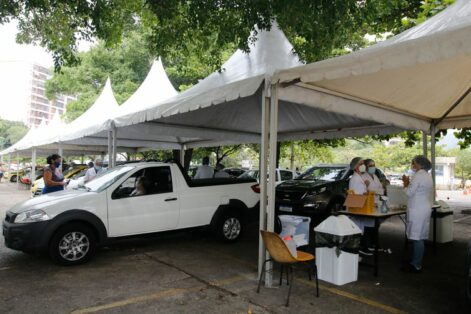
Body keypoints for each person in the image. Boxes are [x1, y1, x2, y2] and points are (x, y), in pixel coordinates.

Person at [402, 155, 433, 273]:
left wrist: (405, 183)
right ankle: (415, 260)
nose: (412, 165)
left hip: (418, 209)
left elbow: (409, 192)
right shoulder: (427, 175)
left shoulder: (418, 175)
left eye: (413, 163)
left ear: (420, 164)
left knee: (417, 237)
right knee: (419, 236)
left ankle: (416, 264)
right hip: (423, 208)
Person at [348, 157, 374, 255]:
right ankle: (357, 249)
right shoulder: (355, 178)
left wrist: (366, 187)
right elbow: (356, 194)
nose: (363, 165)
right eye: (361, 163)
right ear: (355, 166)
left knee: (360, 229)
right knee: (357, 229)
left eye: (363, 163)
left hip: (361, 206)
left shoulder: (360, 177)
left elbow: (362, 191)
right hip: (357, 206)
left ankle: (360, 248)